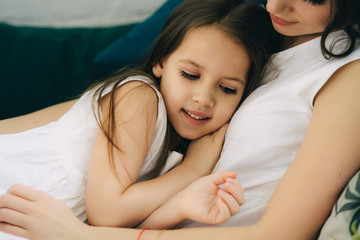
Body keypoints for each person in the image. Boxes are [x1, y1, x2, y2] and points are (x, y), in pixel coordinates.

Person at [1, 0, 359, 239]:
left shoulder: (346, 75)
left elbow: (279, 231)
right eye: (190, 75)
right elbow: (78, 127)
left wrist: (86, 236)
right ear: (160, 63)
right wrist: (191, 171)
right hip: (31, 198)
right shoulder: (143, 96)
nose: (275, 5)